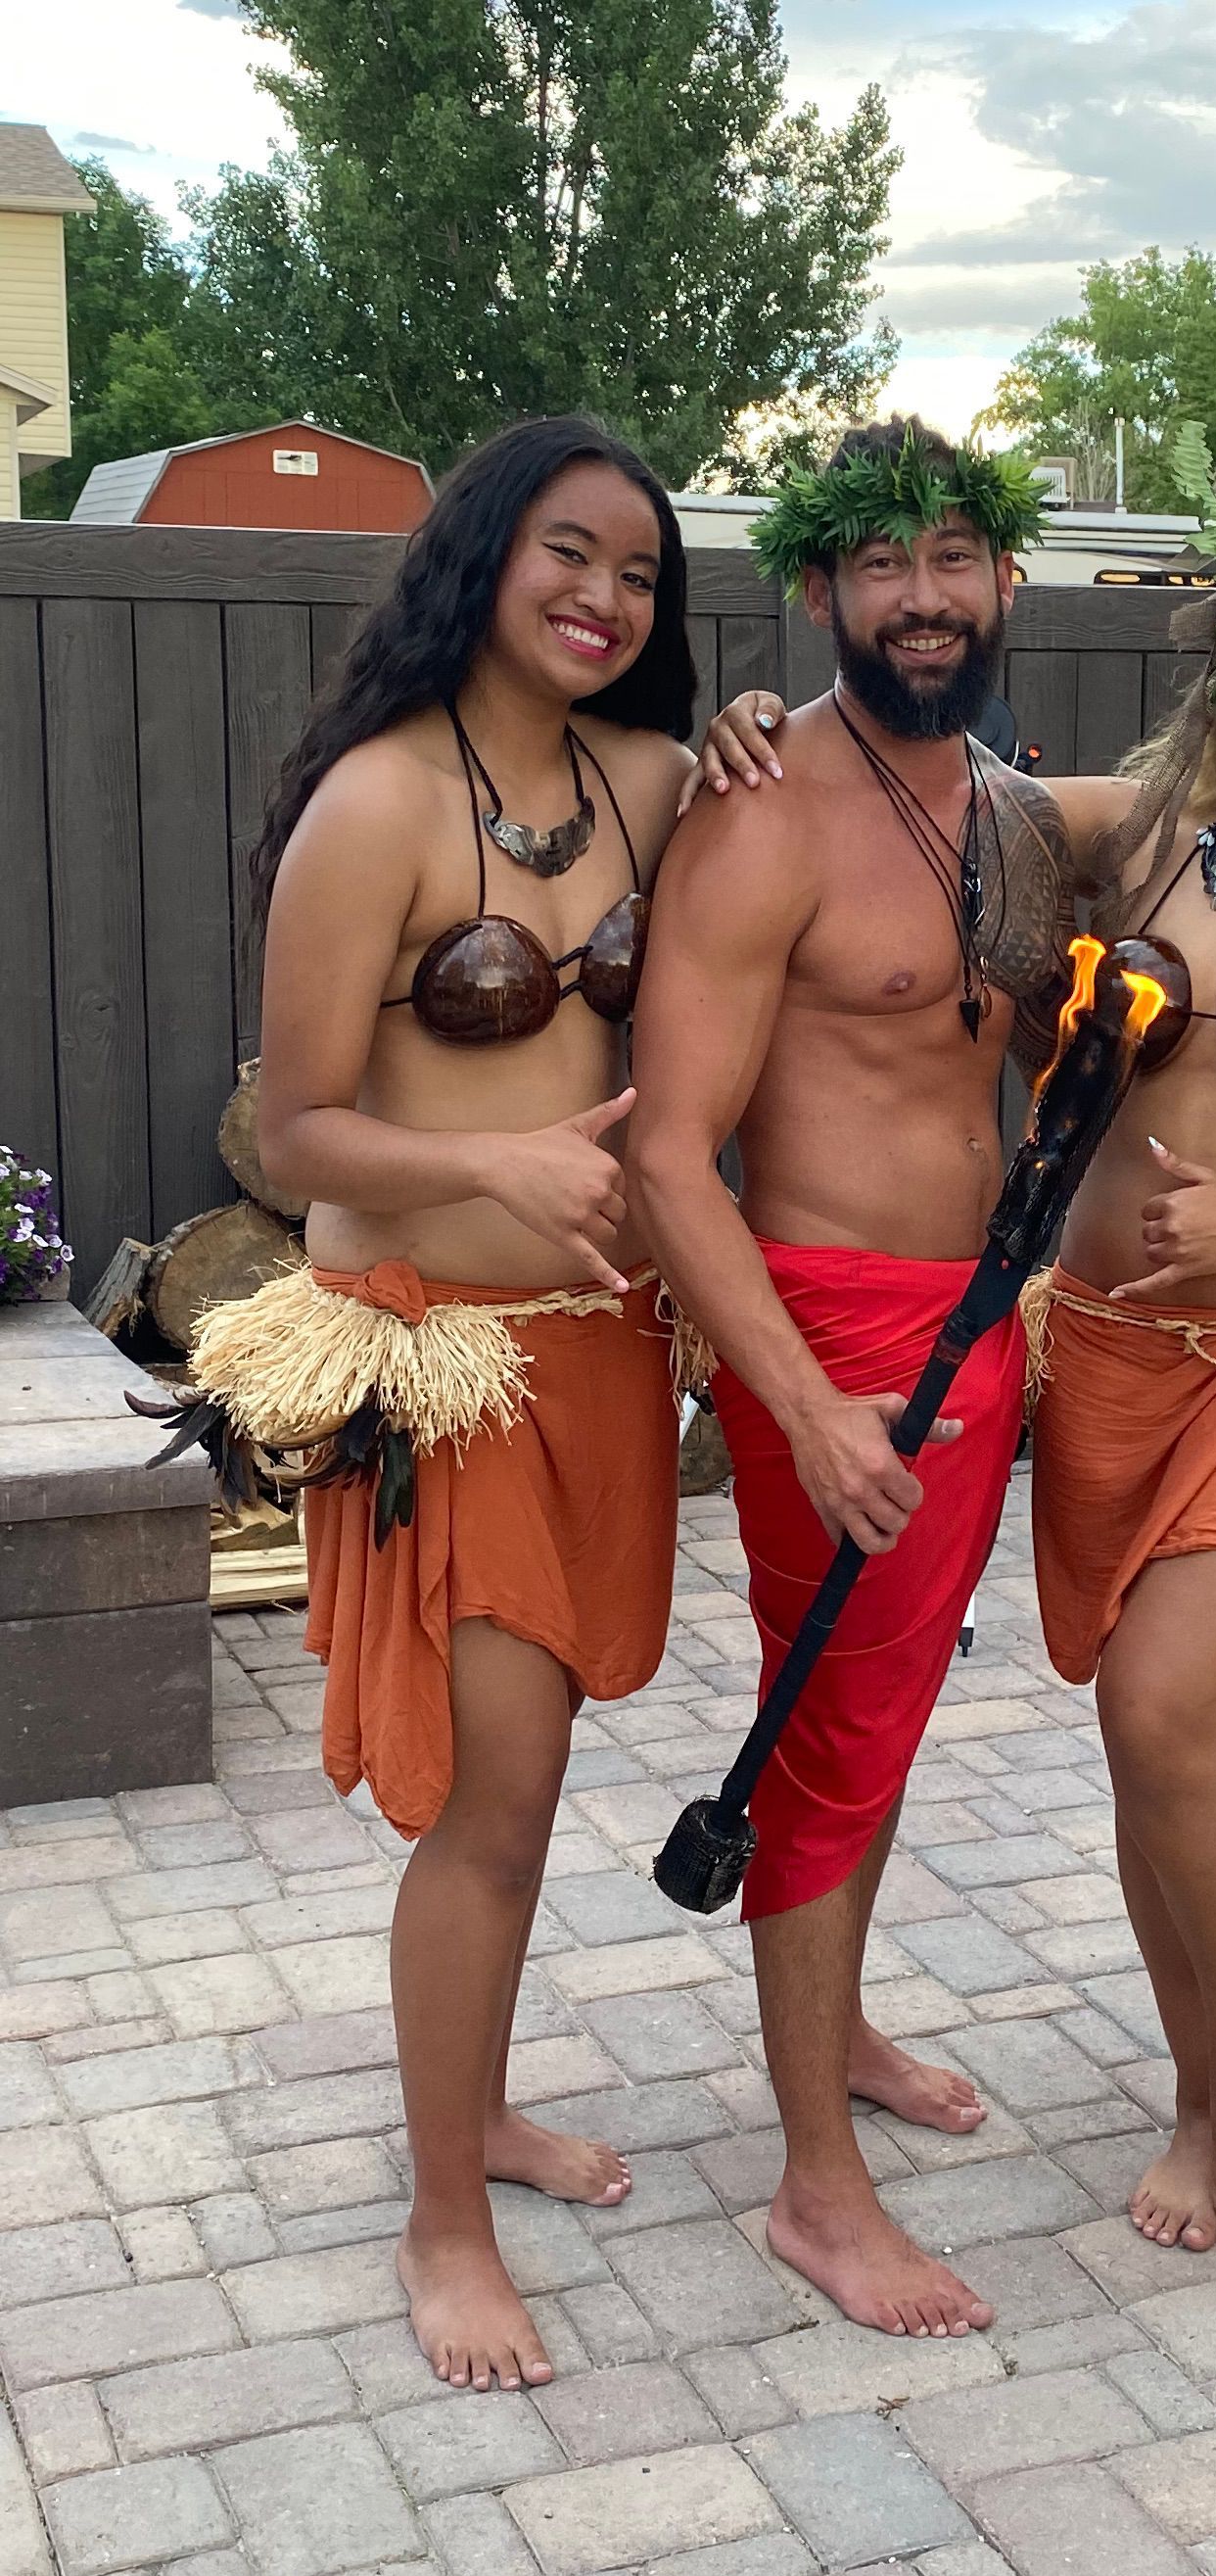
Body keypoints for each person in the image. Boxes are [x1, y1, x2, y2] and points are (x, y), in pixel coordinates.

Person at [696, 541, 1216, 2262]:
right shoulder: (1132, 835)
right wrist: (749, 724)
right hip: (1103, 1354)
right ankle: (1194, 2081)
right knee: (1144, 1745)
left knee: (1166, 1715)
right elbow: (921, 778)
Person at [215, 417, 695, 2391]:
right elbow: (296, 1124)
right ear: (484, 553)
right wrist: (493, 1165)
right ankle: (443, 2219)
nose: (603, 597)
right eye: (568, 552)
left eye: (641, 574)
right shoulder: (380, 802)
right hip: (444, 1359)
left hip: (605, 1352)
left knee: (535, 1776)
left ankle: (475, 2108)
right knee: (491, 1801)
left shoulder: (651, 782)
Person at [629, 418, 1074, 2340]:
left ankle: (847, 2033)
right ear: (817, 587)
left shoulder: (1020, 811)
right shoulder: (763, 810)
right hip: (835, 1339)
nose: (921, 596)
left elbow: (1098, 1010)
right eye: (880, 562)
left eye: (954, 556)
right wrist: (803, 1405)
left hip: (974, 1323)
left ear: (1005, 579)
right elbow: (669, 1154)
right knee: (823, 1736)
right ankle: (816, 2188)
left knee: (872, 1719)